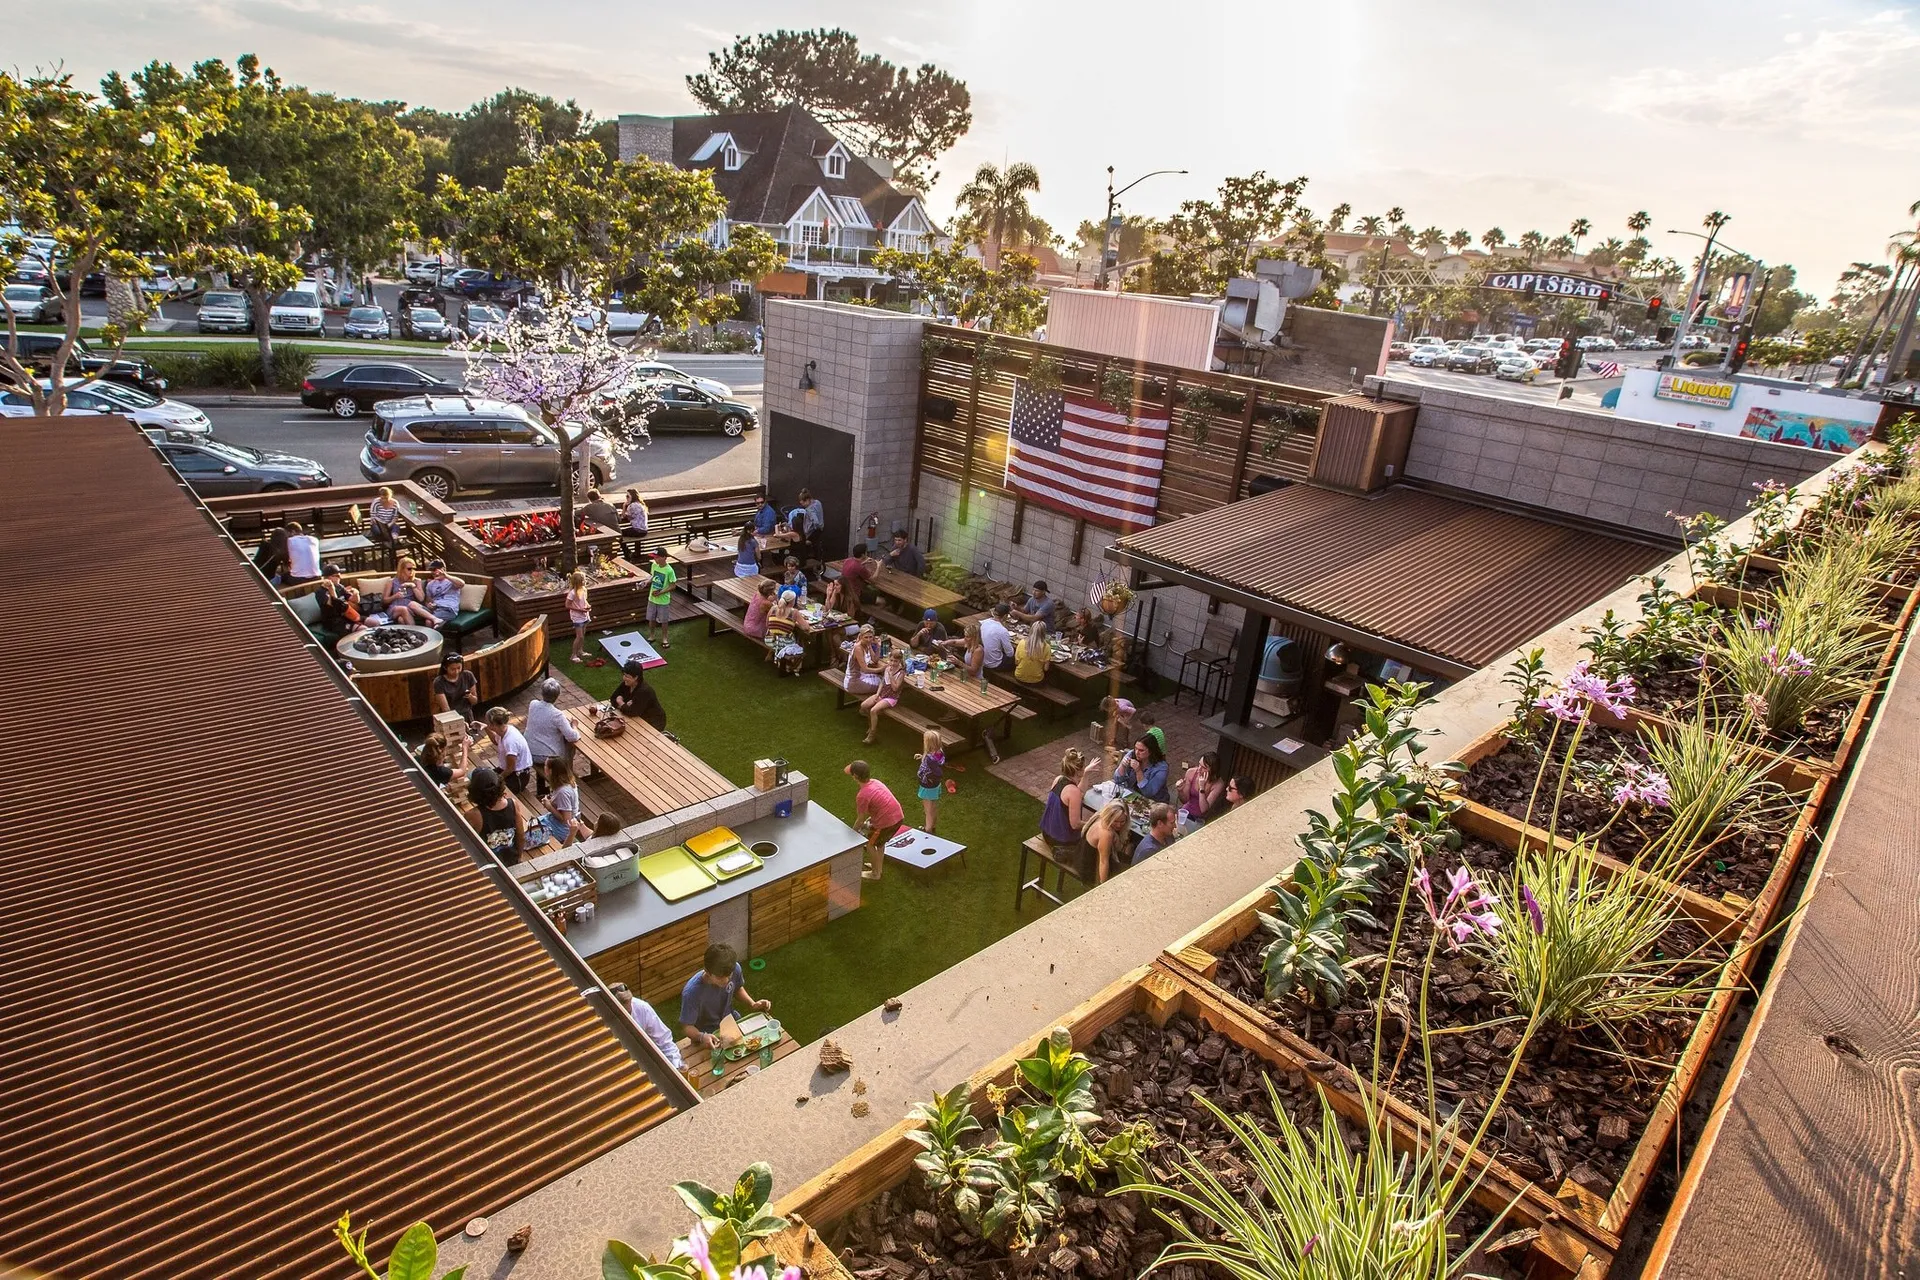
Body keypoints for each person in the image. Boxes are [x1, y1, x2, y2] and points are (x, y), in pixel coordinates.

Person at [679, 943, 771, 1049]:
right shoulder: (692, 992)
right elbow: (686, 1027)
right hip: (709, 1035)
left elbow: (737, 988)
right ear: (707, 972)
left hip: (731, 1021)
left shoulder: (734, 968)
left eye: (729, 976)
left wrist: (752, 1004)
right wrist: (702, 1036)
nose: (726, 981)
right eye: (720, 977)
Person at [846, 759, 903, 881]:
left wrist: (853, 832)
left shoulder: (862, 795)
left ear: (855, 776)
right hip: (898, 817)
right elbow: (883, 803)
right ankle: (878, 867)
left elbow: (860, 819)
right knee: (880, 843)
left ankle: (875, 874)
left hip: (887, 823)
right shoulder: (875, 782)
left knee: (870, 844)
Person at [609, 982, 682, 1069]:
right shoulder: (603, 1018)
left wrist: (677, 1065)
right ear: (612, 1006)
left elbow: (664, 1040)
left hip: (641, 1057)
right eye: (624, 1011)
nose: (629, 1013)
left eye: (630, 1005)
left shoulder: (642, 1008)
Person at [461, 765, 525, 865]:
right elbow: (521, 835)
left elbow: (465, 845)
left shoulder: (473, 816)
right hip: (512, 859)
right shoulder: (513, 804)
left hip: (488, 866)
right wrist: (520, 857)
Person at [524, 678, 580, 788]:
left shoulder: (533, 704)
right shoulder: (557, 715)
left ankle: (567, 772)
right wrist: (574, 725)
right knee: (570, 744)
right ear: (557, 696)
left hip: (530, 750)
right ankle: (567, 773)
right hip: (545, 756)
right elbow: (573, 736)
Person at [1039, 748, 1089, 859]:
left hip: (1047, 833)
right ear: (1079, 770)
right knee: (1094, 840)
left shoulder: (1058, 779)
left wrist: (1086, 775)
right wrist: (1092, 823)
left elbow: (1078, 794)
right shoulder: (1073, 792)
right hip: (1061, 840)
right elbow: (1075, 824)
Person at [860, 650, 907, 744]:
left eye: (896, 661)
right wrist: (877, 694)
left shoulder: (901, 673)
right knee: (864, 706)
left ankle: (872, 735)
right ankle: (871, 725)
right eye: (892, 660)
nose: (893, 663)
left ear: (900, 661)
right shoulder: (887, 668)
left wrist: (891, 675)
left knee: (873, 710)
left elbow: (895, 688)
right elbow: (882, 682)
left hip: (891, 697)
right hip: (882, 693)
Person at [485, 706, 534, 795]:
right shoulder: (504, 730)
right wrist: (484, 728)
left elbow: (510, 768)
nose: (486, 724)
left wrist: (497, 780)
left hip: (517, 777)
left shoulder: (510, 741)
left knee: (491, 792)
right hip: (507, 770)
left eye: (487, 723)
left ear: (493, 725)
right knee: (483, 779)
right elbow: (496, 741)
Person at [543, 755, 593, 843]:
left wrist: (549, 806)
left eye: (546, 766)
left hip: (562, 828)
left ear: (551, 771)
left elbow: (566, 820)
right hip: (556, 821)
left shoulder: (563, 792)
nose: (544, 767)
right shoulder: (567, 781)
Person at [610, 658, 667, 730]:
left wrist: (620, 702)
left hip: (653, 722)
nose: (624, 678)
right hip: (637, 718)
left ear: (636, 677)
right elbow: (612, 698)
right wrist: (626, 706)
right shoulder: (626, 684)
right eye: (624, 675)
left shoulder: (644, 691)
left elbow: (632, 712)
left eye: (627, 676)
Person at [1114, 734, 1169, 802]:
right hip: (1132, 796)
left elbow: (1148, 793)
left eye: (1141, 750)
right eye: (1135, 748)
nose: (1137, 752)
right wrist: (1122, 766)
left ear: (1151, 751)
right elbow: (1117, 780)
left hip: (1154, 802)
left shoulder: (1161, 768)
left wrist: (1138, 771)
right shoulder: (1132, 754)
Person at [1083, 802, 1130, 883]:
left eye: (1122, 822)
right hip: (1091, 868)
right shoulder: (1106, 834)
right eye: (1115, 821)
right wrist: (1103, 884)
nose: (1119, 825)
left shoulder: (1099, 817)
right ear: (1109, 817)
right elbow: (1103, 862)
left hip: (1084, 857)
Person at [1177, 751, 1228, 823]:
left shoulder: (1218, 784)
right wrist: (1180, 790)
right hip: (1187, 810)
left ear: (1212, 770)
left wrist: (1202, 788)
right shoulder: (1191, 772)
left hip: (1200, 818)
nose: (1199, 769)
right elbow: (1184, 800)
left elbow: (1204, 809)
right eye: (1199, 764)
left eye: (1204, 767)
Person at [384, 556, 437, 625]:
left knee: (401, 620)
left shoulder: (416, 581)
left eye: (413, 569)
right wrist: (394, 596)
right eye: (409, 569)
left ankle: (410, 635)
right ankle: (416, 633)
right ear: (401, 569)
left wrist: (413, 586)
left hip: (410, 607)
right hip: (395, 607)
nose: (412, 571)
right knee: (403, 609)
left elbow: (421, 599)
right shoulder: (392, 581)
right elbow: (384, 601)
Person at [566, 569, 601, 665]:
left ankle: (580, 651)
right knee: (579, 636)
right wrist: (580, 610)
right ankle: (573, 655)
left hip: (585, 615)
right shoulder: (572, 593)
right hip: (577, 617)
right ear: (578, 581)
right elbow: (567, 605)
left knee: (583, 635)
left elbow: (584, 601)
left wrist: (587, 606)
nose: (585, 581)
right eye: (583, 579)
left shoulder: (584, 589)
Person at [915, 727, 946, 834]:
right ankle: (932, 827)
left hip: (927, 786)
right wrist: (922, 757)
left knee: (928, 810)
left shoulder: (929, 759)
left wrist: (927, 762)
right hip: (935, 785)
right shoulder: (939, 753)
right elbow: (933, 761)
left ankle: (927, 830)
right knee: (933, 807)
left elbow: (937, 771)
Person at [431, 652, 479, 721]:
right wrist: (456, 721)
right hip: (451, 716)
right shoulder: (439, 681)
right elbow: (445, 708)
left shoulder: (468, 675)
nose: (456, 672)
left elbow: (474, 701)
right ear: (445, 667)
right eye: (452, 669)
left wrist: (470, 696)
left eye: (459, 668)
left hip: (467, 713)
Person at [314, 564, 362, 634]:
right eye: (337, 576)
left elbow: (355, 601)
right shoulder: (321, 592)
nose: (340, 578)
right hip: (333, 622)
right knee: (363, 629)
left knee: (373, 622)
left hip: (347, 616)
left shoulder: (339, 587)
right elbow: (336, 605)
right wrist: (331, 588)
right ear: (328, 578)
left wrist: (356, 593)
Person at [836, 543, 877, 621]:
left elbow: (854, 568)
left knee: (870, 591)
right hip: (855, 594)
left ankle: (866, 616)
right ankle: (871, 620)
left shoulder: (848, 561)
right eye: (866, 552)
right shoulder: (860, 567)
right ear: (863, 554)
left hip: (845, 590)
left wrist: (864, 562)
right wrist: (879, 566)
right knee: (882, 601)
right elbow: (873, 580)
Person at [645, 547, 676, 649]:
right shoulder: (654, 565)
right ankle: (651, 636)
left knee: (664, 620)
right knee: (651, 618)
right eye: (654, 557)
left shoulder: (669, 570)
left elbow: (673, 585)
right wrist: (646, 582)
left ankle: (664, 638)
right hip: (652, 598)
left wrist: (661, 592)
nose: (655, 559)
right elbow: (652, 576)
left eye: (657, 557)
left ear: (664, 557)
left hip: (663, 600)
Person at [421, 559, 468, 627]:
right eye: (431, 570)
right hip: (436, 608)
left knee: (429, 621)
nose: (432, 572)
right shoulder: (430, 584)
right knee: (412, 605)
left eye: (434, 570)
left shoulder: (451, 580)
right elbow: (428, 601)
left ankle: (433, 636)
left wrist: (446, 575)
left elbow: (462, 584)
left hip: (448, 609)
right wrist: (429, 605)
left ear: (442, 569)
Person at [843, 625, 883, 695]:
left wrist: (878, 646)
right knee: (885, 686)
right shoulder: (858, 648)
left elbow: (875, 660)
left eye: (870, 637)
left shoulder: (867, 644)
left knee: (885, 680)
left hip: (863, 675)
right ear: (861, 637)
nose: (868, 639)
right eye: (866, 637)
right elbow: (865, 669)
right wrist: (881, 669)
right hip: (854, 682)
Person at [368, 486, 402, 562]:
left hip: (389, 523)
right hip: (378, 523)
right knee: (378, 531)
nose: (384, 500)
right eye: (382, 498)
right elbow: (373, 516)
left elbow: (395, 517)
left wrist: (390, 524)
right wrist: (380, 523)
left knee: (396, 527)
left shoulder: (395, 503)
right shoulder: (376, 502)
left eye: (386, 498)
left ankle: (393, 539)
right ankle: (392, 542)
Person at [979, 602, 1016, 672]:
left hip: (983, 659)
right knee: (1016, 658)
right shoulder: (1002, 631)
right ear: (1005, 616)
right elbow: (1010, 653)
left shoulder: (985, 622)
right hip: (995, 664)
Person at [1014, 621, 1053, 686]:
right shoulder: (1046, 647)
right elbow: (1046, 669)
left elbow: (1016, 662)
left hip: (1019, 677)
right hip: (1036, 681)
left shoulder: (1022, 643)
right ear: (1044, 633)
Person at [284, 521, 322, 585]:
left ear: (293, 532)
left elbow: (285, 557)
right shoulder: (314, 539)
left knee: (284, 576)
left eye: (287, 534)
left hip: (299, 579)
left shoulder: (290, 541)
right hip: (317, 576)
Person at [623, 489, 650, 559]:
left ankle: (627, 553)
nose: (626, 498)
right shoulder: (640, 504)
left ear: (633, 497)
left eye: (628, 496)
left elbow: (625, 517)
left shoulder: (631, 506)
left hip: (637, 531)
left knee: (618, 534)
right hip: (644, 531)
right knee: (627, 532)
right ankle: (636, 554)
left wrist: (624, 507)